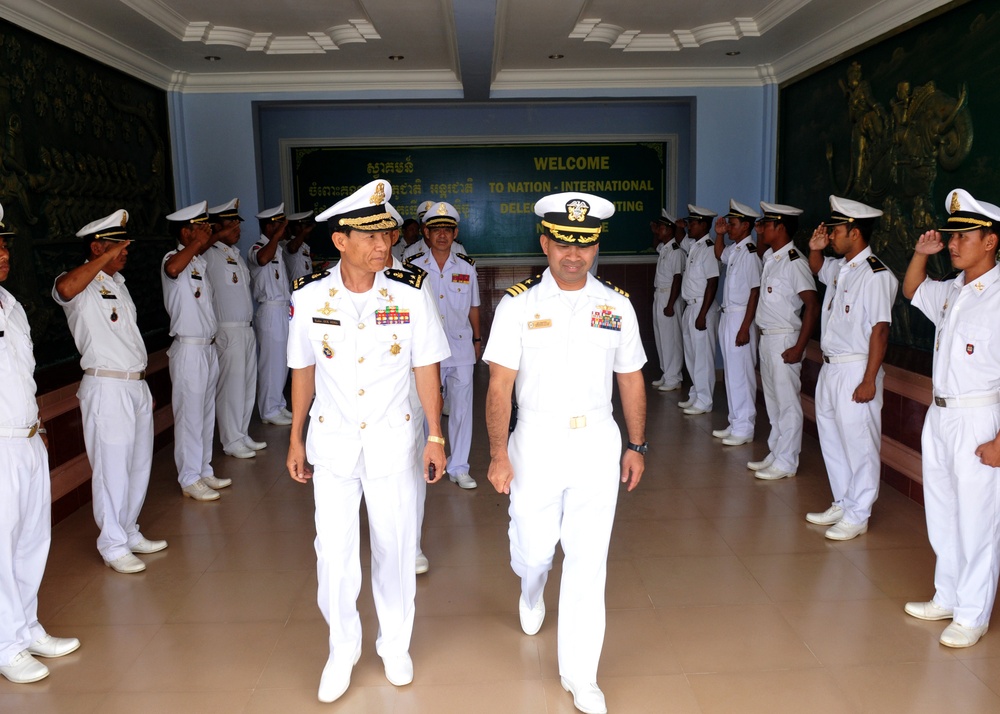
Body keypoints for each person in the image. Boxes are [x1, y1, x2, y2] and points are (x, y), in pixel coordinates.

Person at [286, 180, 449, 703]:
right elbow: (303, 372)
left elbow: (426, 368)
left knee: (395, 546)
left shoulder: (411, 292)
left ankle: (395, 644)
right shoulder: (309, 297)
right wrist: (294, 438)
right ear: (340, 240)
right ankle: (342, 647)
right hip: (332, 444)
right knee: (332, 553)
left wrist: (436, 436)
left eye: (388, 234)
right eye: (371, 235)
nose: (384, 245)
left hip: (394, 441)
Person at [484, 192, 646, 714]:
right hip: (535, 441)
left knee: (587, 559)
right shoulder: (517, 304)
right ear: (545, 242)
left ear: (596, 245)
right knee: (534, 551)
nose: (573, 255)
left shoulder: (616, 305)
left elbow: (631, 378)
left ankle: (582, 675)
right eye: (563, 244)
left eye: (585, 244)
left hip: (598, 440)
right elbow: (499, 386)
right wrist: (497, 454)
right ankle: (531, 590)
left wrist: (636, 444)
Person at [902, 188, 1000, 648]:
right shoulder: (953, 290)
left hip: (980, 418)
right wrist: (922, 254)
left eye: (964, 236)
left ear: (991, 241)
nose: (953, 244)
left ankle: (973, 613)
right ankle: (949, 593)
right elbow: (912, 290)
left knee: (978, 519)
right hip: (940, 417)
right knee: (942, 511)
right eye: (950, 235)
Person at [52, 209, 166, 575]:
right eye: (119, 246)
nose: (125, 253)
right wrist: (102, 257)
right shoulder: (79, 286)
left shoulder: (118, 284)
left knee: (137, 465)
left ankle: (129, 530)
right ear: (98, 246)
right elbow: (64, 290)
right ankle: (112, 543)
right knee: (111, 469)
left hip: (133, 385)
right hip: (106, 387)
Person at [0, 209, 81, 684]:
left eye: (6, 244)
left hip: (25, 439)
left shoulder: (11, 304)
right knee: (2, 547)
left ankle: (26, 628)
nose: (5, 253)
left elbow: (19, 378)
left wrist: (37, 425)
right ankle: (6, 645)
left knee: (32, 541)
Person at [805, 195, 897, 540]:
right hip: (832, 369)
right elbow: (816, 267)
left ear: (854, 232)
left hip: (857, 369)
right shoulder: (843, 268)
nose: (830, 236)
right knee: (833, 439)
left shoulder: (875, 274)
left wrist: (869, 379)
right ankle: (844, 501)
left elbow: (880, 330)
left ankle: (859, 513)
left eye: (835, 230)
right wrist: (815, 248)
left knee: (860, 444)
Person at [404, 201, 481, 489]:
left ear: (455, 232)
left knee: (461, 410)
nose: (442, 235)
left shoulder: (467, 268)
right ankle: (430, 460)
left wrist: (477, 339)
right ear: (426, 232)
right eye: (436, 229)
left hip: (461, 348)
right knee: (427, 408)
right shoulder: (413, 269)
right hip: (426, 352)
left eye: (447, 230)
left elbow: (474, 306)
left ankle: (459, 466)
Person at [161, 201, 231, 501]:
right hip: (188, 349)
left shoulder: (198, 263)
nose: (205, 231)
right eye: (199, 228)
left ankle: (203, 469)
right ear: (185, 232)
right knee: (189, 415)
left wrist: (206, 242)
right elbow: (173, 267)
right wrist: (201, 243)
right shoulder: (173, 259)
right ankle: (189, 477)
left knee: (204, 413)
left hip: (207, 348)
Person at [750, 202, 819, 480]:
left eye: (766, 224)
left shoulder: (795, 262)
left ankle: (787, 460)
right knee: (772, 401)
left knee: (787, 402)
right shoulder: (771, 258)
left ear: (780, 227)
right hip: (768, 338)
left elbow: (812, 306)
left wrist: (799, 347)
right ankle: (776, 452)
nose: (762, 229)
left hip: (784, 339)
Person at [385, 203, 432, 575]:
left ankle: (411, 544)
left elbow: (427, 353)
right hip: (355, 402)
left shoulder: (414, 282)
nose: (378, 242)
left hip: (405, 394)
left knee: (409, 468)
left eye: (385, 233)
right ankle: (384, 543)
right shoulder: (329, 286)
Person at [204, 199, 266, 459]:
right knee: (230, 387)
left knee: (247, 384)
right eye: (230, 225)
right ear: (216, 227)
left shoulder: (234, 254)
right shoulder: (210, 253)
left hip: (246, 328)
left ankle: (241, 433)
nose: (236, 230)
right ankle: (231, 440)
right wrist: (216, 235)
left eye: (236, 224)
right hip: (227, 329)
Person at [711, 200, 762, 445]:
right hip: (728, 314)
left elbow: (755, 292)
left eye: (732, 224)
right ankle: (735, 421)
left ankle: (745, 427)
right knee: (731, 374)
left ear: (746, 226)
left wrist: (744, 328)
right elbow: (720, 254)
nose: (729, 228)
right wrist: (719, 235)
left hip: (741, 317)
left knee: (742, 374)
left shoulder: (751, 253)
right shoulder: (736, 250)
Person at [248, 203, 293, 426]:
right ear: (268, 227)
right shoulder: (258, 247)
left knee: (282, 360)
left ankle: (278, 404)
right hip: (269, 310)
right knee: (270, 362)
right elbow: (262, 260)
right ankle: (268, 410)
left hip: (283, 309)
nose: (283, 229)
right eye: (278, 225)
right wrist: (275, 237)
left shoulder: (277, 248)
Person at [678, 205, 720, 415]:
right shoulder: (695, 246)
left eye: (692, 223)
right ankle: (696, 394)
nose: (688, 226)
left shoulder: (709, 248)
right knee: (692, 355)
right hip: (691, 306)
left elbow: (713, 282)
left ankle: (705, 400)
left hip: (702, 307)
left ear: (704, 225)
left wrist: (703, 313)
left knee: (703, 357)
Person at [650, 209, 685, 392]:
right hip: (660, 295)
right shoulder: (664, 248)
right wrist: (655, 233)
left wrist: (670, 304)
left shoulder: (676, 251)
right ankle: (666, 373)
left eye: (662, 228)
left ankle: (674, 377)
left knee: (671, 339)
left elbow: (677, 279)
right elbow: (654, 242)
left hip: (669, 297)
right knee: (661, 337)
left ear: (670, 230)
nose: (659, 230)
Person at [284, 210, 316, 284]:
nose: (309, 231)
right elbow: (292, 248)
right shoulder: (286, 243)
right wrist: (304, 232)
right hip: (295, 292)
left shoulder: (303, 246)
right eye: (306, 228)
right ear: (297, 228)